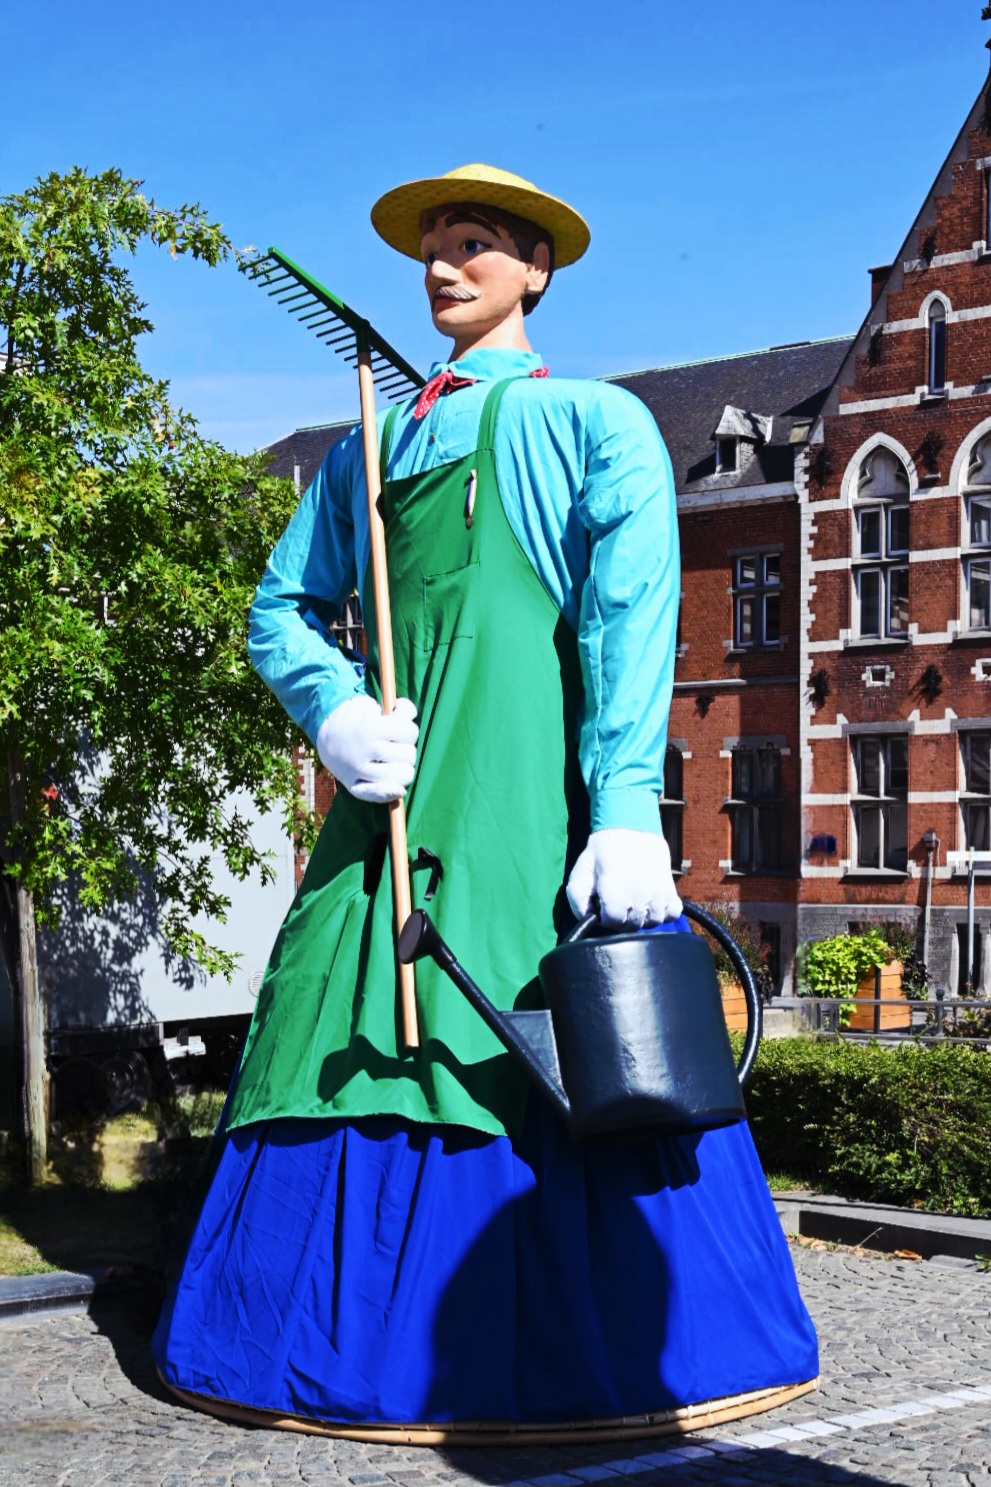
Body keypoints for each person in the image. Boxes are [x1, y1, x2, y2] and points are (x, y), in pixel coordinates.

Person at [153, 163, 818, 1440]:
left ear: (534, 270)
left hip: (536, 796)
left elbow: (630, 616)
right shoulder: (373, 446)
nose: (442, 268)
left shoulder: (596, 423)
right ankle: (318, 1351)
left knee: (571, 1033)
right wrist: (336, 711)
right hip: (394, 808)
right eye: (432, 249)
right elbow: (279, 608)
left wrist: (626, 804)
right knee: (335, 1014)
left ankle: (610, 1355)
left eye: (472, 245)